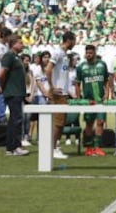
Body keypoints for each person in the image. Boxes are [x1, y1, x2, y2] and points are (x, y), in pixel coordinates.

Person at [45, 31, 76, 159]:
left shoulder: (64, 54)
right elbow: (48, 69)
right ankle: (53, 149)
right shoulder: (57, 53)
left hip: (63, 93)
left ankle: (55, 146)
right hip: (58, 93)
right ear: (69, 40)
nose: (75, 43)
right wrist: (52, 87)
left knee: (61, 122)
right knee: (58, 122)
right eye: (74, 40)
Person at [75, 45, 109, 157]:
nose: (88, 54)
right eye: (87, 53)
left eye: (90, 52)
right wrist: (78, 98)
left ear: (95, 53)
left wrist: (107, 94)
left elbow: (106, 81)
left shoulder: (102, 64)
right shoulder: (81, 67)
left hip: (100, 99)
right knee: (89, 124)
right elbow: (77, 83)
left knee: (100, 122)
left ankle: (98, 147)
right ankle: (89, 148)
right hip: (88, 100)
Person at [0, 34, 29, 156]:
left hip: (17, 93)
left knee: (14, 120)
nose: (23, 45)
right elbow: (1, 74)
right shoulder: (9, 56)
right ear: (13, 44)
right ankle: (16, 146)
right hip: (13, 93)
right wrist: (2, 87)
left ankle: (10, 147)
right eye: (20, 43)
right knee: (17, 120)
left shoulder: (16, 57)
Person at [20, 54, 35, 147]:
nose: (27, 62)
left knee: (28, 118)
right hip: (21, 96)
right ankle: (21, 137)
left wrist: (32, 95)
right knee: (22, 117)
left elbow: (33, 83)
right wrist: (24, 96)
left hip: (29, 95)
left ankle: (26, 136)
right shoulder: (18, 71)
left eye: (28, 60)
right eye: (26, 60)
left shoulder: (30, 71)